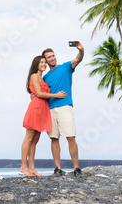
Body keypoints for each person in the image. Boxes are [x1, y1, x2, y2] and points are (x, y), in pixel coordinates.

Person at [42, 41, 84, 177]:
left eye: (53, 56)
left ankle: (76, 168)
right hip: (50, 109)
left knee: (70, 137)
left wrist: (81, 50)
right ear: (46, 61)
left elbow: (78, 59)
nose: (52, 58)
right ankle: (58, 168)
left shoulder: (65, 67)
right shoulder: (45, 77)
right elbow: (40, 92)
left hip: (65, 106)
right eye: (49, 57)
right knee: (54, 138)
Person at [20, 55, 67, 177]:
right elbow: (39, 93)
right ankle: (23, 167)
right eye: (41, 62)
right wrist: (56, 95)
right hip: (36, 108)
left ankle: (32, 168)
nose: (44, 64)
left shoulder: (42, 78)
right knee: (29, 138)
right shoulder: (34, 76)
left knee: (35, 140)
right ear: (36, 64)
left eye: (44, 63)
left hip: (43, 109)